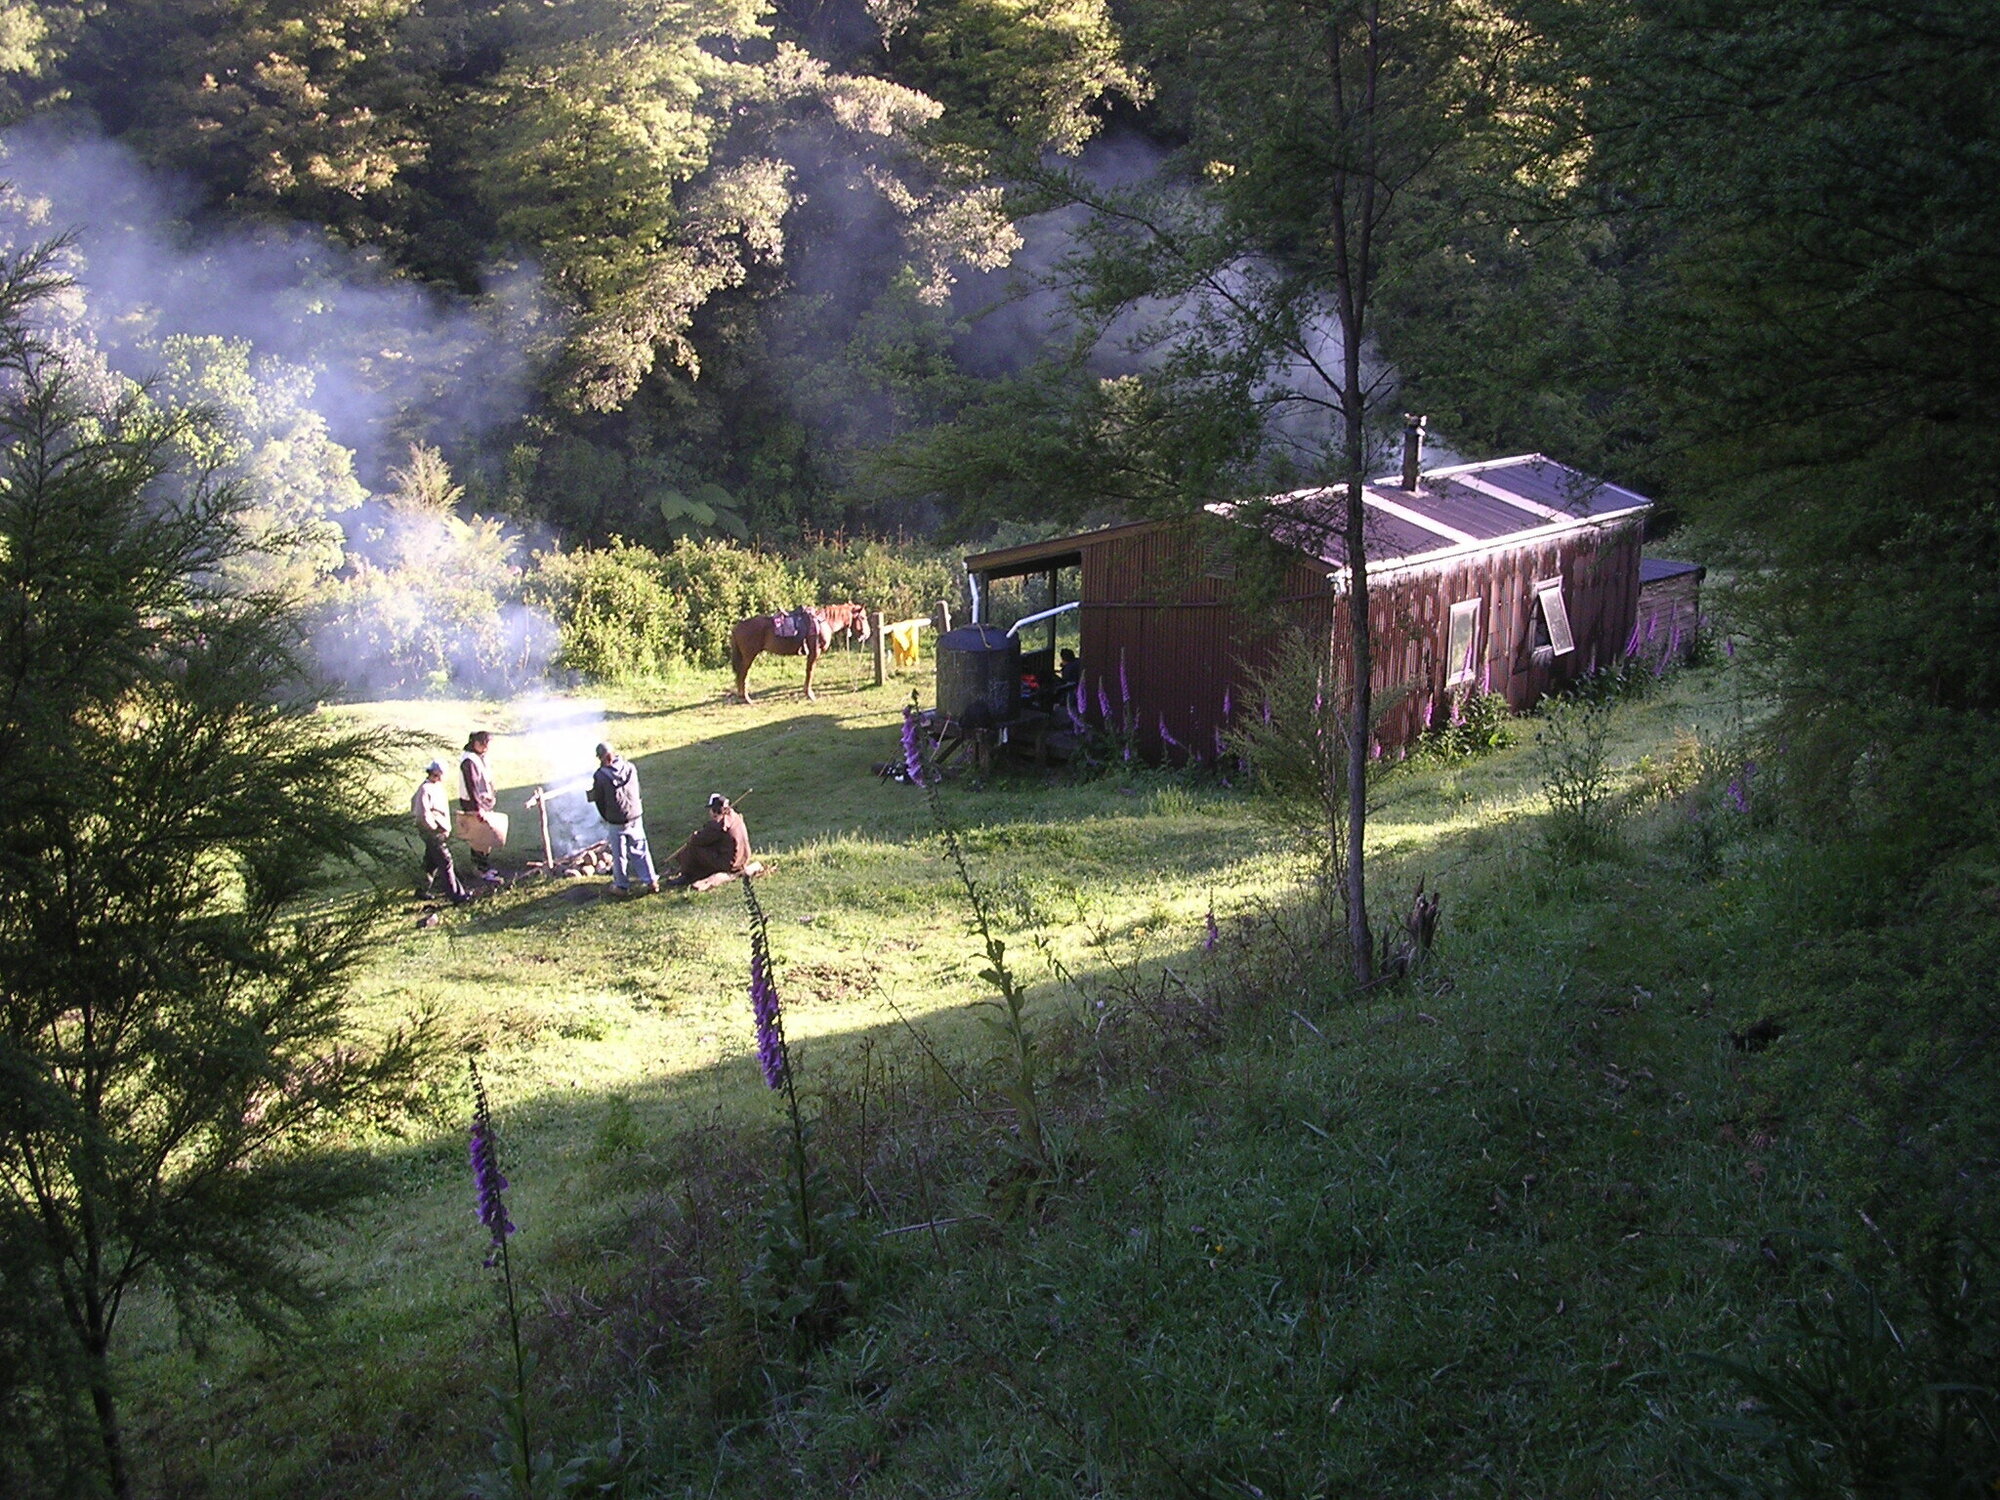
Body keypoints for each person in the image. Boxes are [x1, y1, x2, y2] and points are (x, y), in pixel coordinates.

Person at [586, 742, 658, 895]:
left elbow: (599, 801)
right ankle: (651, 881)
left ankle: (621, 886)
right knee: (641, 848)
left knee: (619, 854)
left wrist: (607, 817)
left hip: (617, 820)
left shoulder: (600, 776)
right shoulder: (630, 767)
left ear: (603, 758)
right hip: (635, 814)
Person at [411, 760, 470, 904]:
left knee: (431, 862)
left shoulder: (436, 787)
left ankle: (421, 889)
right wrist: (434, 828)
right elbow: (421, 814)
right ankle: (456, 895)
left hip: (439, 831)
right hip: (433, 833)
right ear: (436, 773)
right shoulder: (425, 789)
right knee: (446, 862)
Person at [665, 793, 750, 888]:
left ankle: (687, 876)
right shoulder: (735, 817)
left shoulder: (718, 825)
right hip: (743, 859)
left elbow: (698, 840)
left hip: (730, 864)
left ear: (714, 811)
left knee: (693, 847)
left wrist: (695, 835)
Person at [456, 730, 506, 882]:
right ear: (478, 744)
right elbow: (472, 786)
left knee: (486, 836)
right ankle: (480, 870)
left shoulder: (480, 757)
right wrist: (478, 809)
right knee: (479, 838)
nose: (488, 748)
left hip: (483, 802)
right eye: (486, 745)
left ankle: (485, 866)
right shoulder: (469, 761)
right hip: (474, 804)